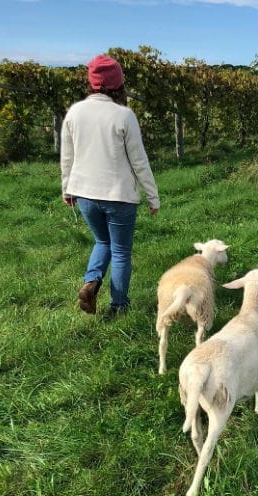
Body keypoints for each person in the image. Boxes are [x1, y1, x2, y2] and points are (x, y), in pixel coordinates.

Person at [61, 54, 160, 315]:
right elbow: (139, 161)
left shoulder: (75, 112)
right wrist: (153, 197)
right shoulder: (124, 116)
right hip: (119, 196)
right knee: (121, 252)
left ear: (91, 83)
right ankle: (118, 306)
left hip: (85, 194)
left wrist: (67, 189)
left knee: (101, 242)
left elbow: (67, 157)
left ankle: (91, 281)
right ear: (119, 84)